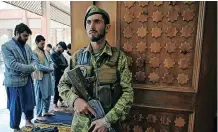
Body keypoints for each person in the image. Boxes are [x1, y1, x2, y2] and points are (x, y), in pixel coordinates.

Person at [58, 5, 134, 132]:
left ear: (107, 27)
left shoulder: (119, 58)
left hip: (107, 125)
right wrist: (75, 100)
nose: (91, 27)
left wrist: (107, 120)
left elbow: (128, 94)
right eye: (88, 22)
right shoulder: (77, 57)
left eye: (97, 21)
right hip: (80, 126)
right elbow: (62, 85)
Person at [1, 23, 36, 132]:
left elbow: (33, 61)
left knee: (30, 102)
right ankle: (15, 127)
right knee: (15, 106)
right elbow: (12, 64)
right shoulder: (6, 46)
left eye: (27, 36)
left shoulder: (27, 46)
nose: (26, 38)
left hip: (27, 79)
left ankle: (28, 121)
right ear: (17, 33)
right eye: (24, 36)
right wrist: (30, 68)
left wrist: (29, 69)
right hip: (14, 81)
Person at [32, 35, 55, 122]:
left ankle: (45, 111)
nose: (43, 45)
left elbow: (50, 61)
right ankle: (38, 114)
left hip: (48, 76)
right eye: (42, 44)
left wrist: (51, 67)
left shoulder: (45, 51)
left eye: (44, 43)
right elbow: (38, 66)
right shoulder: (34, 52)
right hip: (40, 77)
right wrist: (50, 69)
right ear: (37, 43)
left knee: (48, 94)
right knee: (40, 96)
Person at [50, 41, 68, 111]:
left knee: (61, 87)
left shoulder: (61, 54)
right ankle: (55, 103)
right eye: (62, 49)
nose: (63, 51)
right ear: (58, 46)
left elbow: (65, 62)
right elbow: (59, 65)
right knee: (56, 88)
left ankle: (60, 100)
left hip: (61, 73)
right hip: (56, 74)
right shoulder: (53, 54)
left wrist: (65, 66)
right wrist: (65, 66)